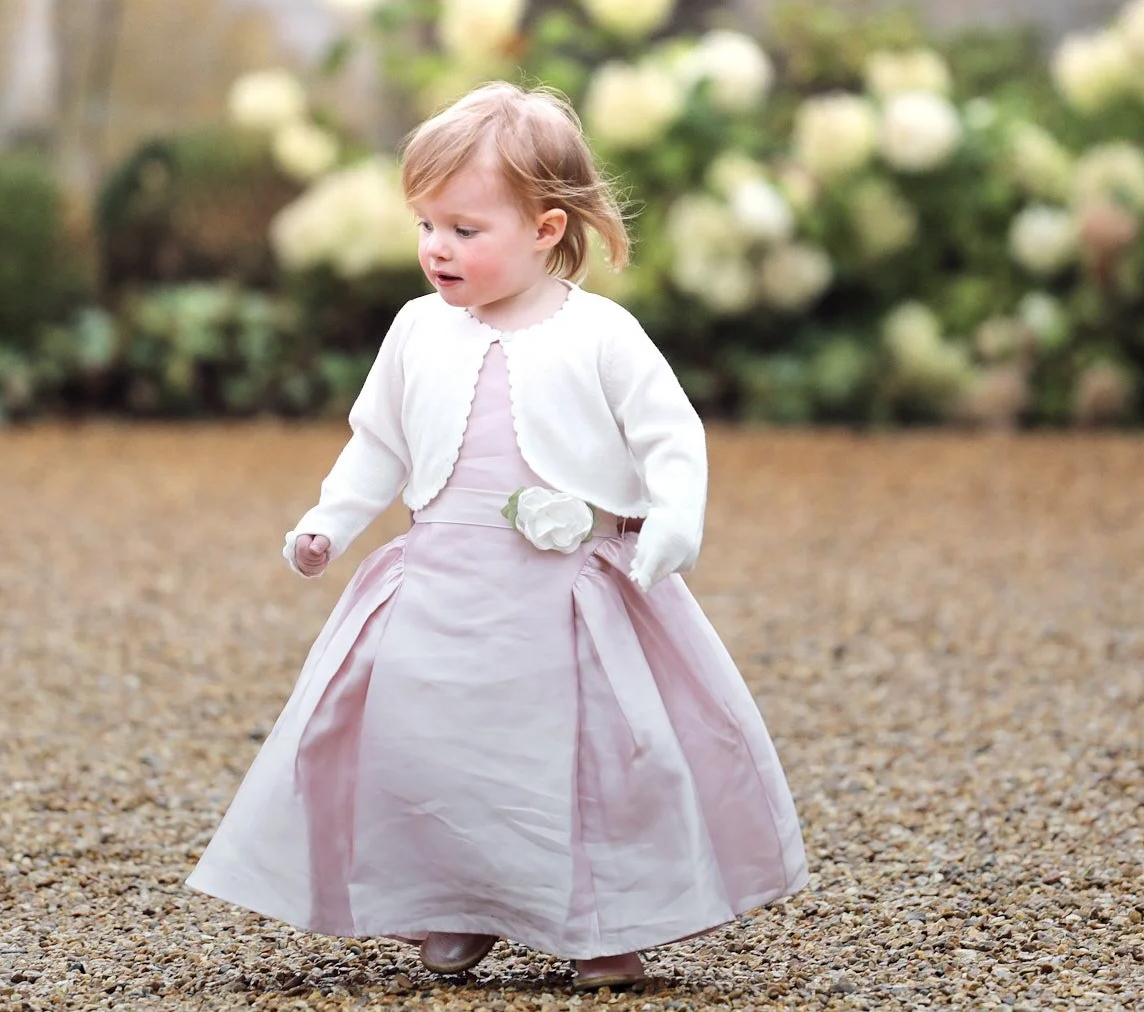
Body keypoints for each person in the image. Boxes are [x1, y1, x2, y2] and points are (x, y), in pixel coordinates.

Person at [185, 81, 807, 992]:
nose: (438, 247)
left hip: (566, 595)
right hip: (441, 581)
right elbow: (380, 443)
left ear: (548, 229)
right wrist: (330, 520)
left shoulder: (601, 334)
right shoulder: (415, 330)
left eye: (466, 230)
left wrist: (673, 521)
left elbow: (669, 434)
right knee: (433, 741)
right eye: (427, 225)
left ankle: (605, 918)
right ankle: (455, 897)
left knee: (590, 752)